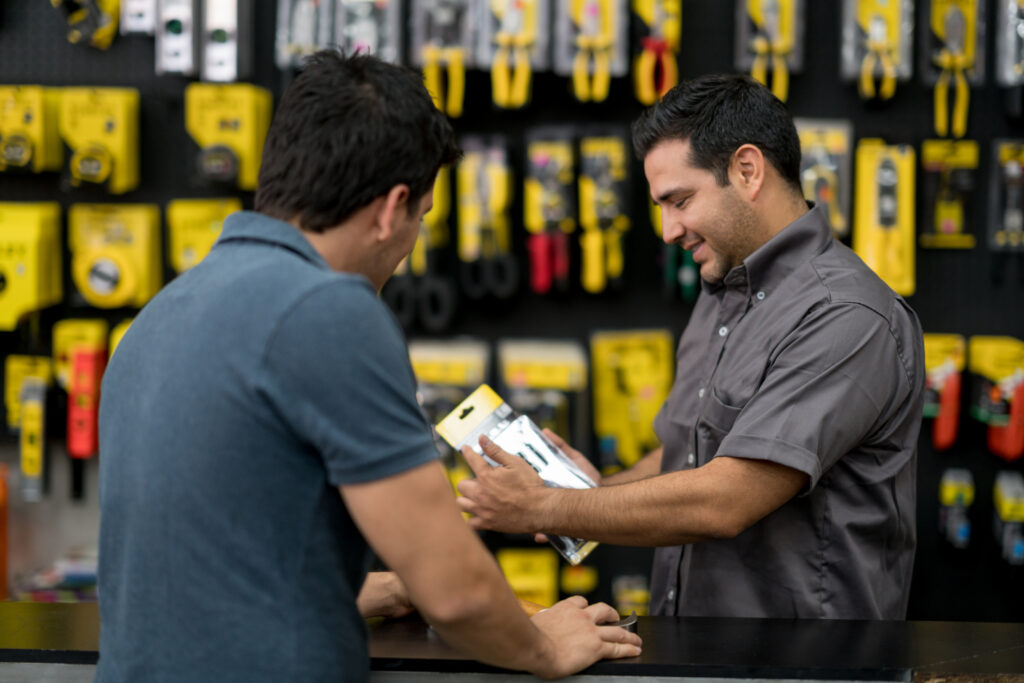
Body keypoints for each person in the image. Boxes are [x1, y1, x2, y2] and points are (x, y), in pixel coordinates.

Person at [95, 51, 641, 682]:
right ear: (391, 209)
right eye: (421, 219)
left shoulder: (159, 315)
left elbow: (195, 577)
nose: (409, 250)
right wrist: (543, 645)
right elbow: (455, 591)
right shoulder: (328, 309)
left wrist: (374, 591)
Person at [457, 74, 925, 620]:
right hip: (694, 654)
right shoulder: (722, 289)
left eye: (680, 200)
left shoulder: (846, 316)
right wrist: (599, 488)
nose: (667, 230)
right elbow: (694, 453)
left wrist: (548, 506)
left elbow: (726, 497)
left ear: (748, 171)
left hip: (805, 670)